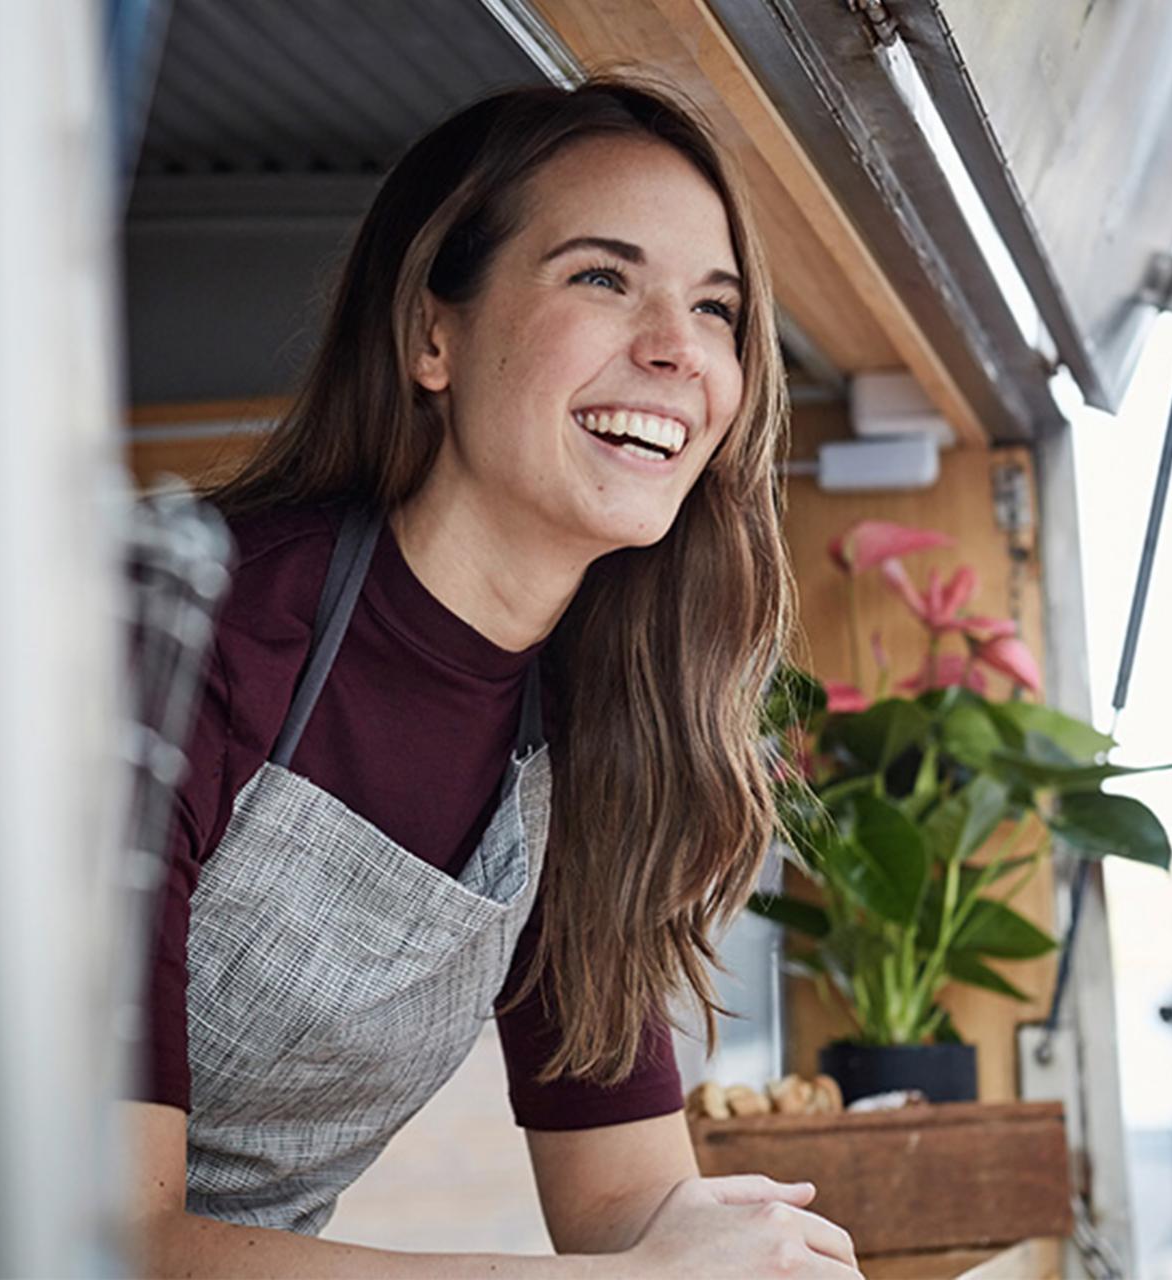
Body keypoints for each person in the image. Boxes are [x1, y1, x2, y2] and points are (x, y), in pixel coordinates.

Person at [127, 76, 863, 1278]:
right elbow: (101, 1239)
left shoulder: (589, 737)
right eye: (602, 277)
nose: (680, 350)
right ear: (434, 334)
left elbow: (625, 1195)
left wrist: (732, 1246)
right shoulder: (182, 629)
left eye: (718, 308)